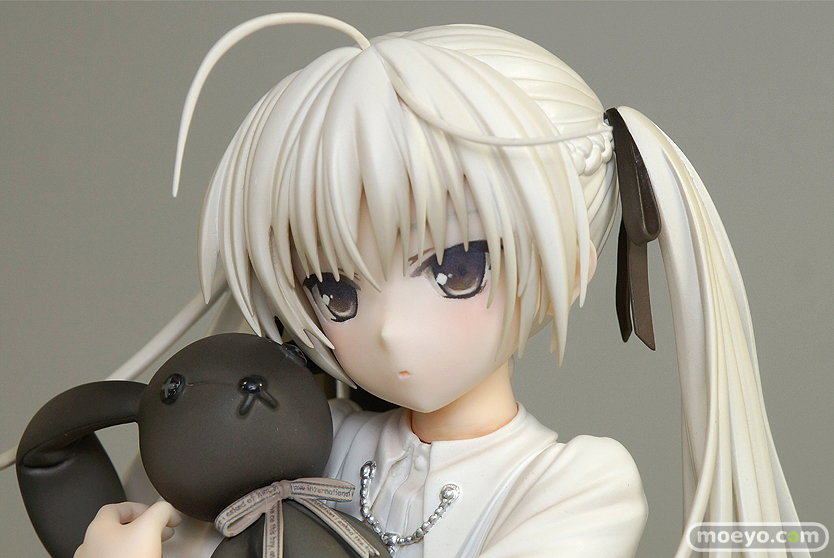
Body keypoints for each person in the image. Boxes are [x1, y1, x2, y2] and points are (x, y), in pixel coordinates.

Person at [58, 12, 804, 558]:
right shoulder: (307, 436)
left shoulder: (575, 484)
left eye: (457, 269)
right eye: (336, 290)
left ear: (570, 265)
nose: (388, 330)